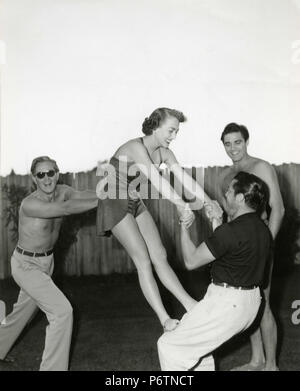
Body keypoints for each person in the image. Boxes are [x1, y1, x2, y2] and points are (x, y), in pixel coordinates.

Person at [96, 107, 216, 332]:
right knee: (143, 259)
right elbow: (156, 180)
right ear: (155, 126)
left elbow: (184, 180)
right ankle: (164, 319)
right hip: (113, 201)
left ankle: (190, 305)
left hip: (134, 199)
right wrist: (182, 205)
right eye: (171, 131)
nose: (173, 136)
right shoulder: (135, 147)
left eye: (176, 132)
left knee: (160, 255)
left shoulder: (164, 153)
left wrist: (209, 202)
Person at [157, 171, 273, 371]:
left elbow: (191, 261)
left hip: (227, 303)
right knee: (200, 352)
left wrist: (184, 226)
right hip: (250, 304)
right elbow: (230, 250)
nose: (225, 194)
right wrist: (216, 221)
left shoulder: (232, 231)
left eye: (229, 191)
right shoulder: (262, 229)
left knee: (169, 346)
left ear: (239, 198)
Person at [0, 156, 98, 371]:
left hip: (46, 262)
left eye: (50, 173)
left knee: (22, 314)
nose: (47, 178)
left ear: (57, 173)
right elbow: (66, 209)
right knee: (62, 312)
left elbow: (82, 195)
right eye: (41, 175)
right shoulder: (30, 204)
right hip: (25, 265)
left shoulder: (63, 191)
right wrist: (107, 200)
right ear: (34, 179)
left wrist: (109, 194)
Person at [218, 123, 285, 371]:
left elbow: (278, 208)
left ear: (246, 141)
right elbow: (230, 215)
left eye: (238, 142)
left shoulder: (261, 167)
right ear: (223, 145)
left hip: (261, 242)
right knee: (248, 303)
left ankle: (271, 365)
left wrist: (267, 244)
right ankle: (256, 360)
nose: (233, 148)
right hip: (237, 247)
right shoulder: (224, 176)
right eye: (228, 143)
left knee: (264, 303)